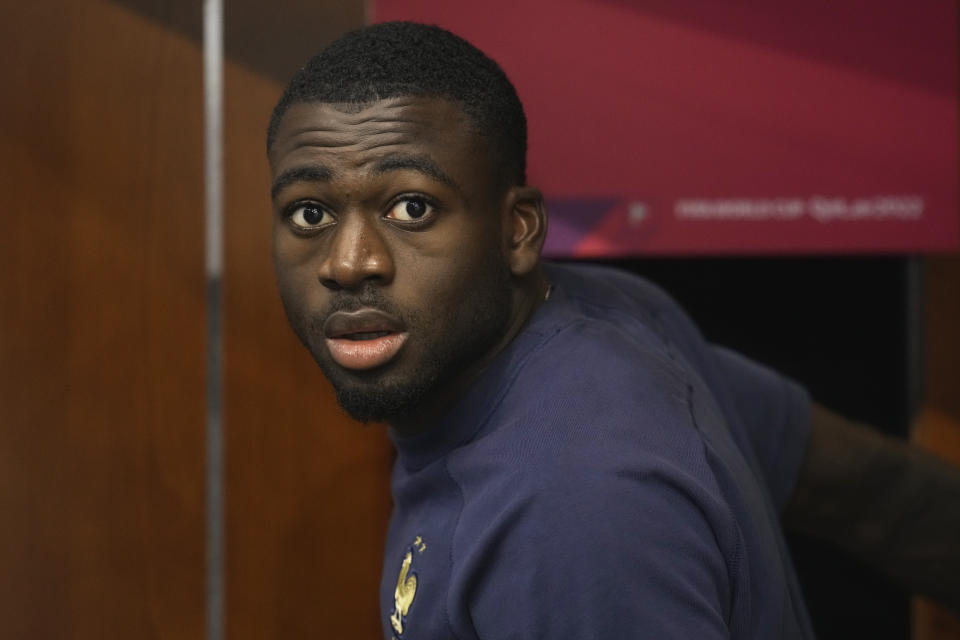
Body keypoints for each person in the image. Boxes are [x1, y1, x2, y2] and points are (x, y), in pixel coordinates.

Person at [266, 21, 960, 639]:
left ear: (518, 231)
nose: (349, 262)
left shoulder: (569, 507)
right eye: (308, 214)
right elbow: (868, 492)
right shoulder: (610, 310)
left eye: (412, 207)